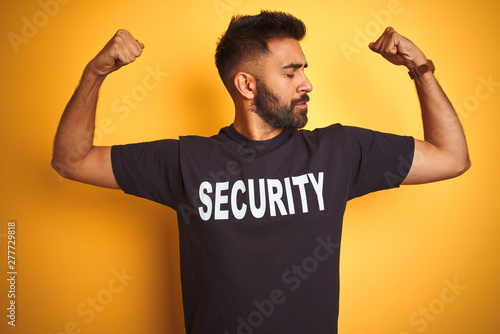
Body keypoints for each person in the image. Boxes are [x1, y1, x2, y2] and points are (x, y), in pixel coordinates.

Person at [51, 10, 470, 334]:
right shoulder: (187, 161)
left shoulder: (339, 151)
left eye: (304, 70)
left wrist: (422, 70)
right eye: (291, 73)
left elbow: (452, 157)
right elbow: (71, 160)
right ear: (247, 86)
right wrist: (96, 73)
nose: (306, 83)